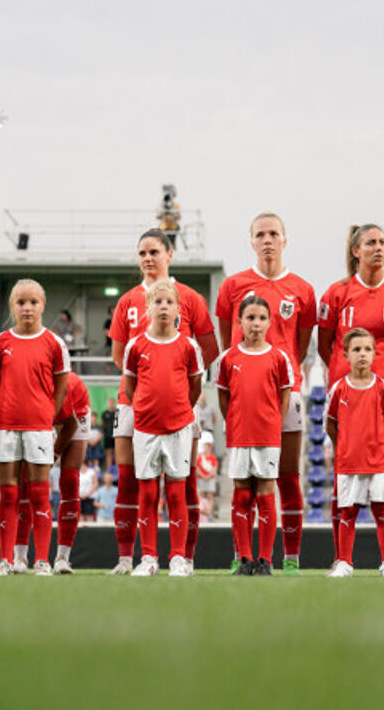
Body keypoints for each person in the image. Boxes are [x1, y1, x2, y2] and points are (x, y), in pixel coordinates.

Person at [109, 229, 218, 575]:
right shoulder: (127, 301)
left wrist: (180, 399)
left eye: (154, 251)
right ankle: (129, 558)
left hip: (181, 406)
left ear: (170, 254)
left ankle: (184, 557)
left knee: (183, 484)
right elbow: (119, 357)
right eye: (141, 252)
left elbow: (209, 350)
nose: (147, 258)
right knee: (130, 479)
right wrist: (144, 394)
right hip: (136, 405)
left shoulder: (189, 298)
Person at [215, 212, 315, 576]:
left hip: (287, 392)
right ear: (252, 242)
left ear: (285, 240)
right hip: (246, 394)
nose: (268, 239)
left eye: (274, 233)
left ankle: (289, 555)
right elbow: (229, 343)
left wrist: (280, 376)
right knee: (244, 483)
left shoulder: (302, 289)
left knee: (286, 477)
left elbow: (300, 348)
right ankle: (242, 554)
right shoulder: (234, 285)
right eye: (261, 234)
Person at [318, 223, 384, 562]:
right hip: (347, 392)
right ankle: (340, 558)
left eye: (383, 242)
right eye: (371, 243)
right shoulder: (336, 293)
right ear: (355, 251)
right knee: (342, 473)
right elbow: (324, 346)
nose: (378, 248)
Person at [123, 280, 204, 577]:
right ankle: (148, 558)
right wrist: (144, 409)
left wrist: (181, 409)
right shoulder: (136, 345)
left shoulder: (188, 345)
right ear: (147, 308)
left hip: (179, 429)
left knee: (175, 494)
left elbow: (195, 385)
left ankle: (179, 558)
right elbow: (130, 384)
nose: (164, 307)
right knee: (146, 495)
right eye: (157, 302)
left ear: (178, 309)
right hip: (145, 429)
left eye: (169, 302)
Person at [216, 295, 293, 576]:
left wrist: (273, 422)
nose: (256, 324)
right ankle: (244, 559)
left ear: (270, 322)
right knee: (241, 496)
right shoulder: (229, 358)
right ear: (239, 322)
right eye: (250, 318)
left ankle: (265, 560)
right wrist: (235, 423)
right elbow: (224, 399)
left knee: (264, 494)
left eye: (261, 318)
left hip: (267, 436)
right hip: (239, 436)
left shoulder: (278, 357)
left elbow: (284, 395)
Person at [0, 279, 70, 575]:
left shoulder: (54, 343)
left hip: (39, 427)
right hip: (5, 426)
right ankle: (6, 559)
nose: (27, 308)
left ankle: (42, 560)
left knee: (39, 493)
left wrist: (45, 416)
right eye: (21, 302)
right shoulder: (2, 341)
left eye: (33, 302)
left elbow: (61, 386)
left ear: (43, 305)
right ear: (12, 306)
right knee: (10, 494)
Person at [325, 328, 384, 578]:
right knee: (348, 512)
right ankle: (344, 562)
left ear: (374, 353)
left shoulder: (383, 387)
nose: (362, 354)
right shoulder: (338, 388)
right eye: (356, 349)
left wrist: (379, 447)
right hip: (349, 462)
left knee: (382, 510)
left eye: (367, 349)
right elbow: (331, 425)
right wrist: (346, 447)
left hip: (378, 462)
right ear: (346, 354)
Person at [14, 371, 91, 574]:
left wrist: (52, 456)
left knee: (69, 480)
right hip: (38, 419)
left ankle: (62, 558)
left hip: (74, 415)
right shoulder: (16, 393)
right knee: (25, 483)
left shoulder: (62, 388)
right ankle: (19, 556)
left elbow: (70, 424)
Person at [196, 433, 219, 521]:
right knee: (201, 494)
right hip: (201, 478)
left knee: (209, 495)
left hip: (210, 479)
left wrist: (208, 476)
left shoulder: (212, 458)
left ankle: (209, 512)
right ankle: (202, 511)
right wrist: (203, 475)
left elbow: (214, 468)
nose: (205, 448)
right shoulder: (200, 458)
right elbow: (197, 467)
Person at [101, 397, 117, 469]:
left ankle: (117, 470)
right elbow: (103, 425)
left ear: (114, 403)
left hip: (116, 436)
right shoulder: (105, 413)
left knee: (117, 454)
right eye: (109, 402)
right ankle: (109, 470)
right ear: (108, 403)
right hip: (107, 437)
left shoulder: (117, 412)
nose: (111, 404)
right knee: (108, 454)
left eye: (112, 402)